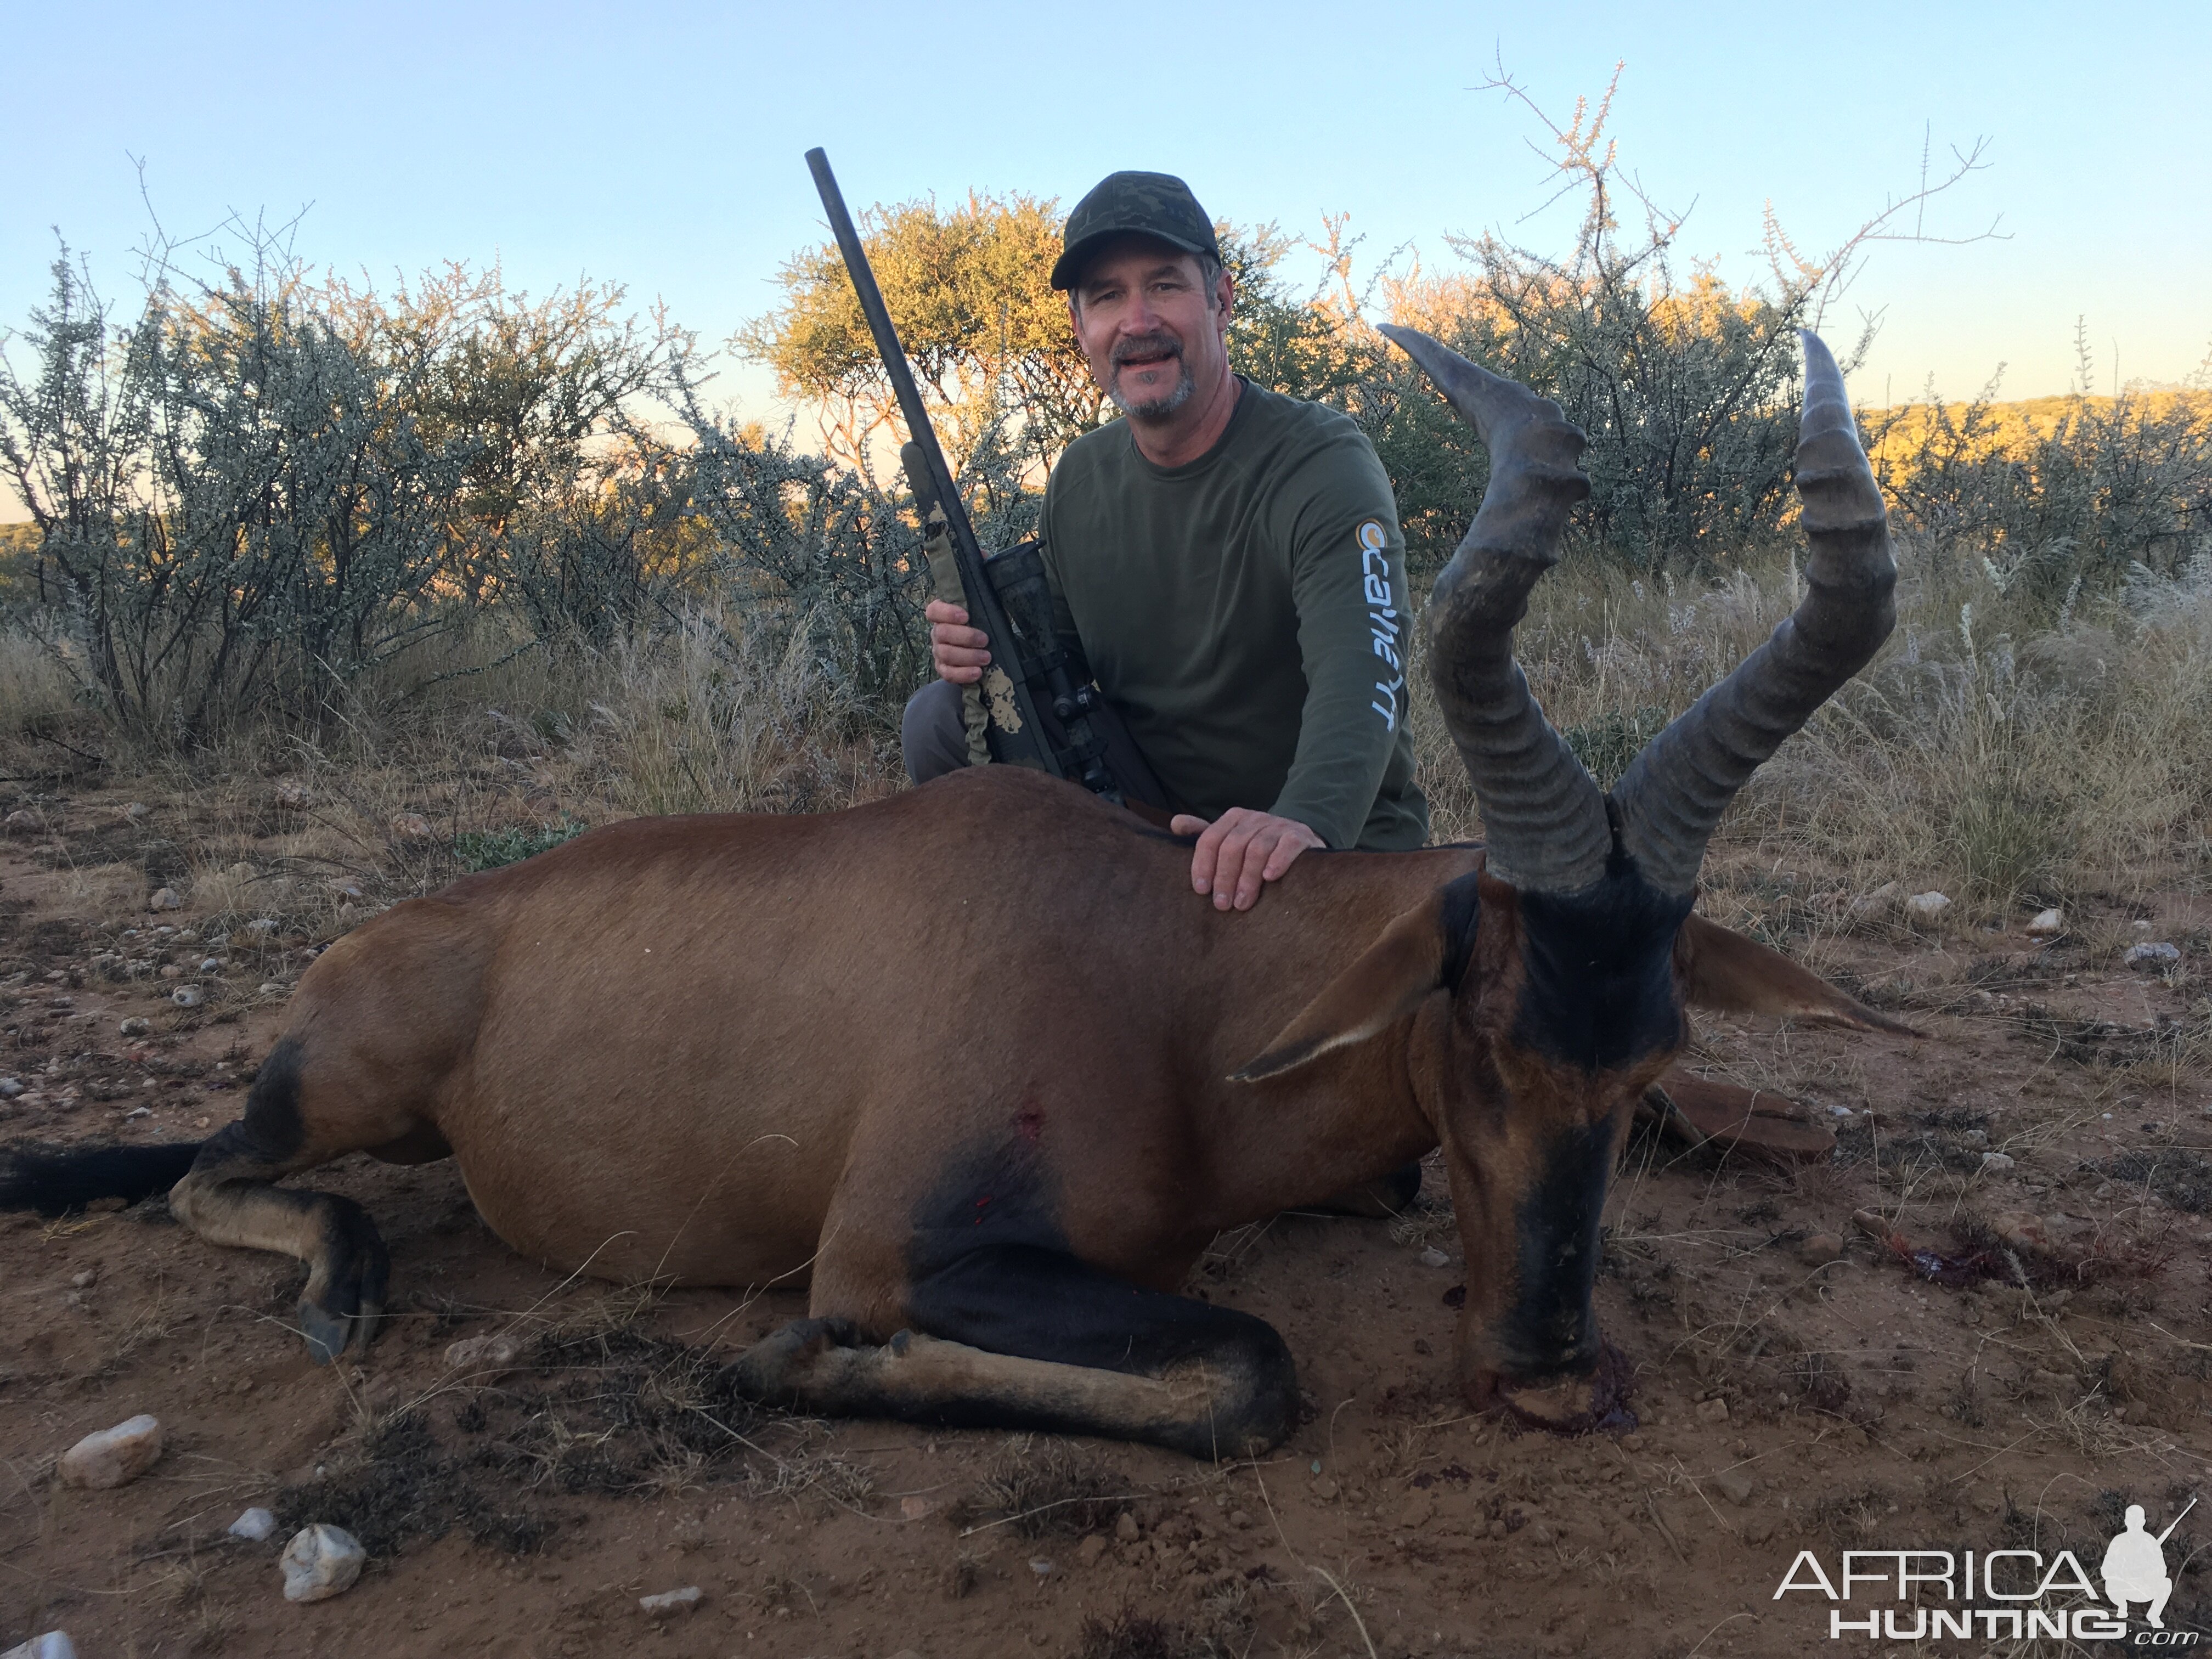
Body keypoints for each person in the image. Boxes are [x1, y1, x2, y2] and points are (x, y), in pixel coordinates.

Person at [902, 170, 1429, 913]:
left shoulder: (1322, 462)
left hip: (1313, 846)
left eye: (1165, 286)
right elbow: (1058, 662)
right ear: (1081, 328)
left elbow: (1365, 678)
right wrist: (976, 647)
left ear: (1220, 301)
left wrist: (1304, 821)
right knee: (940, 718)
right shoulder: (1080, 477)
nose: (1137, 320)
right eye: (1107, 296)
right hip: (1152, 827)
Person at [2102, 1504, 2174, 1628]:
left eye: (2138, 1521)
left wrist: (2151, 1574)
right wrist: (2122, 1572)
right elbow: (2106, 1570)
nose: (2135, 1525)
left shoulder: (2150, 1542)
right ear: (2126, 1522)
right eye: (2131, 1521)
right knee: (2110, 1583)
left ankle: (2154, 1615)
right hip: (2124, 1588)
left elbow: (2162, 1569)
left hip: (2145, 1588)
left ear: (2143, 1522)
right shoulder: (2119, 1541)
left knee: (2166, 1584)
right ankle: (2122, 1607)